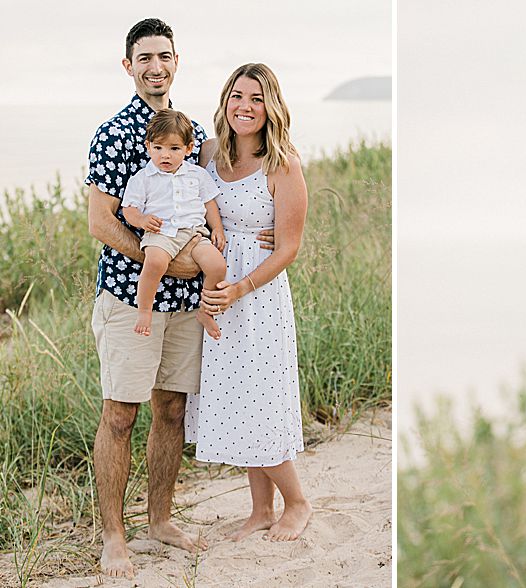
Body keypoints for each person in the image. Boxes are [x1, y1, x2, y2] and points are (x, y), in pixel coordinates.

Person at [86, 18, 210, 579]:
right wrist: (160, 260)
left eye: (164, 56)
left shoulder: (196, 134)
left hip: (185, 303)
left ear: (176, 61)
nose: (155, 67)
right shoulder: (113, 135)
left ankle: (159, 520)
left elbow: (209, 207)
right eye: (144, 58)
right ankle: (114, 535)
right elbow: (102, 223)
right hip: (127, 296)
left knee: (173, 408)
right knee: (119, 415)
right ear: (128, 66)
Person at [185, 62, 312, 543]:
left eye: (256, 98)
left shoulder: (284, 164)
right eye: (238, 95)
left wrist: (240, 286)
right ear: (225, 100)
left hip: (256, 296)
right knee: (238, 400)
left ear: (270, 106)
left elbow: (288, 247)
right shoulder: (209, 154)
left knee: (261, 399)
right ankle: (261, 509)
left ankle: (297, 502)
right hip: (216, 284)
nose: (245, 106)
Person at [121, 108, 227, 339]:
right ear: (148, 146)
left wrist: (216, 228)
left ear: (188, 149)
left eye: (174, 149)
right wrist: (142, 220)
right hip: (162, 232)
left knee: (217, 265)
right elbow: (128, 209)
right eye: (158, 148)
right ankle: (145, 310)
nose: (165, 156)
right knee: (155, 262)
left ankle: (206, 311)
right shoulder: (143, 178)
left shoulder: (197, 174)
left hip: (195, 233)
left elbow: (209, 202)